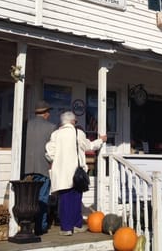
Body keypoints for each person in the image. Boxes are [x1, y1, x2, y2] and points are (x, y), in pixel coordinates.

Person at [45, 111, 107, 236]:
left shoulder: (55, 134)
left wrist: (58, 160)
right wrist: (100, 140)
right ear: (73, 121)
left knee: (65, 199)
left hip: (62, 172)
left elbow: (49, 153)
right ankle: (75, 225)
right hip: (76, 172)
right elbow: (89, 146)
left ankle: (67, 228)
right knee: (76, 199)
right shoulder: (78, 133)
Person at [25, 100, 56, 235]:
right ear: (44, 113)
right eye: (48, 111)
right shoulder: (51, 127)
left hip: (27, 167)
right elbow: (53, 149)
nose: (49, 114)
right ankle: (40, 227)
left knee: (26, 198)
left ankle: (25, 225)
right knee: (42, 198)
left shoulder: (26, 125)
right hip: (43, 166)